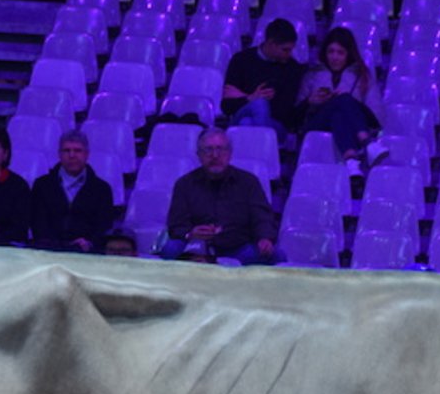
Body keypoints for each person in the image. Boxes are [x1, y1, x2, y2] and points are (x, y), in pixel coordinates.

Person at [161, 128, 282, 265]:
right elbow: (176, 225)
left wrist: (264, 238)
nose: (215, 155)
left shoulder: (248, 182)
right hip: (196, 249)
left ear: (229, 154)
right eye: (208, 150)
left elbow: (262, 217)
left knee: (275, 255)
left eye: (221, 149)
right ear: (199, 155)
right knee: (170, 249)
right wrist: (191, 233)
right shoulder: (184, 184)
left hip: (238, 249)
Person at [297, 26, 386, 179]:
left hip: (347, 125)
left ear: (348, 54)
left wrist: (351, 107)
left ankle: (351, 160)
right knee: (343, 100)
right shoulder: (313, 74)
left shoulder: (362, 75)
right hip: (317, 123)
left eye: (340, 52)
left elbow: (374, 114)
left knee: (340, 113)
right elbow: (296, 115)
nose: (334, 57)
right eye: (331, 52)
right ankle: (367, 143)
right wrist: (310, 101)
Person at [29, 129, 115, 253]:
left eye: (77, 150)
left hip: (87, 254)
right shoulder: (42, 185)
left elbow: (104, 226)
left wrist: (88, 244)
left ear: (87, 154)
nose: (72, 155)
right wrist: (59, 245)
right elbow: (37, 223)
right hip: (48, 251)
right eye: (66, 150)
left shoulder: (102, 189)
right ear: (59, 154)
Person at [222, 18, 306, 139]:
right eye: (285, 50)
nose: (289, 54)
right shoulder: (241, 60)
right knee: (258, 104)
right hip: (242, 115)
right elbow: (226, 106)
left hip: (276, 125)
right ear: (271, 44)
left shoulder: (292, 68)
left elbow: (286, 112)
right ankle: (262, 152)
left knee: (247, 122)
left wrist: (245, 96)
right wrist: (252, 98)